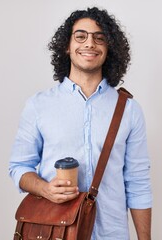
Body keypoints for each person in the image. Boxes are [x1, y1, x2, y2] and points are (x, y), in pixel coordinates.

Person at [9, 7, 152, 240]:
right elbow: (19, 168)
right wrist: (45, 189)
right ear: (67, 46)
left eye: (99, 38)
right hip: (54, 232)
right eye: (81, 36)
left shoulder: (129, 110)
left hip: (111, 234)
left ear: (109, 48)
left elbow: (138, 183)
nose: (90, 44)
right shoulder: (38, 105)